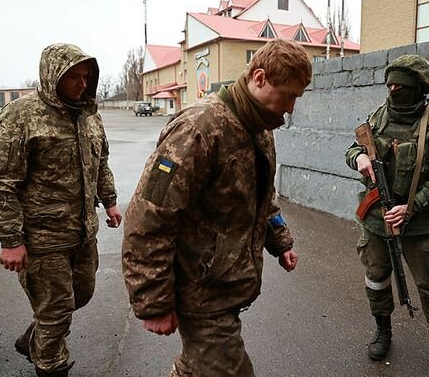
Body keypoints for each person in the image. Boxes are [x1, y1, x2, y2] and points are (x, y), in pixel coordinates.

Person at [122, 38, 311, 376]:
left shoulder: (258, 127)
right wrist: (152, 301)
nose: (290, 108)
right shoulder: (199, 129)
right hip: (200, 290)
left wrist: (279, 240)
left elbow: (259, 195)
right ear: (259, 77)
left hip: (225, 286)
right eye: (288, 95)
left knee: (199, 366)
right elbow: (149, 217)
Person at [0, 44, 122, 377]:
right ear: (53, 75)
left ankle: (33, 337)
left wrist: (110, 199)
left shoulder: (88, 114)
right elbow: (0, 181)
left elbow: (100, 161)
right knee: (57, 312)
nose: (82, 84)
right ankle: (50, 363)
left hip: (82, 232)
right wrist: (11, 240)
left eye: (86, 76)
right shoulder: (21, 115)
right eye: (73, 76)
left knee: (82, 294)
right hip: (42, 240)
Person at [345, 55, 429, 376]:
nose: (393, 89)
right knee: (376, 277)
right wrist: (359, 159)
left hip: (419, 222)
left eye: (401, 86)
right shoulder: (379, 117)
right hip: (375, 219)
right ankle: (383, 330)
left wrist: (413, 205)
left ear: (419, 88)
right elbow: (352, 148)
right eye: (390, 84)